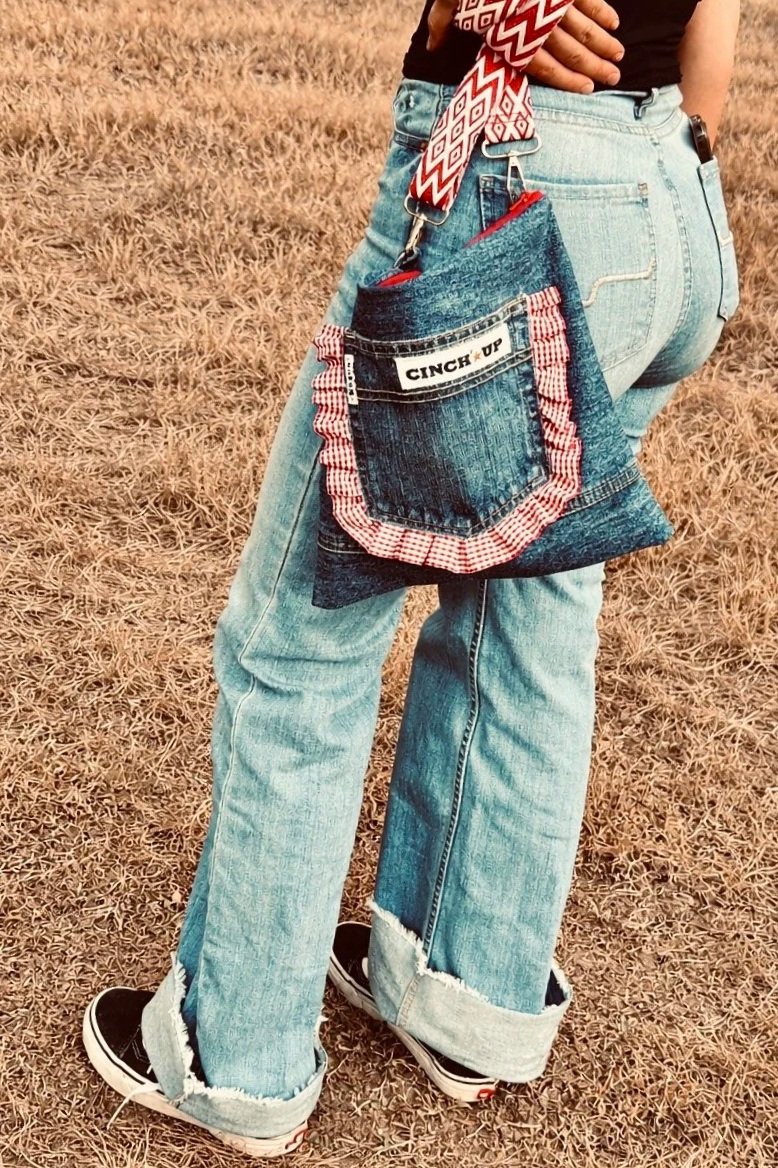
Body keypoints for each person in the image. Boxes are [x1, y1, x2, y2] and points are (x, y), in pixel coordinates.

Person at [82, 0, 741, 1157]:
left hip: (524, 165)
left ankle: (233, 1058)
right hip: (671, 188)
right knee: (529, 605)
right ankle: (466, 997)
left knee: (300, 636)